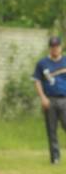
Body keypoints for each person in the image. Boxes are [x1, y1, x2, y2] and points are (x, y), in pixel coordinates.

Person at [32, 35, 66, 164]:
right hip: (49, 100)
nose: (55, 49)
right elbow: (37, 81)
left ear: (61, 47)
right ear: (49, 48)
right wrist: (43, 98)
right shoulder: (42, 63)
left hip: (64, 99)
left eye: (57, 46)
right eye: (52, 47)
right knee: (51, 130)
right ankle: (55, 157)